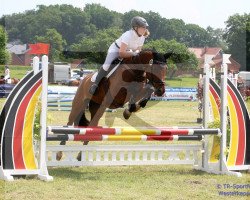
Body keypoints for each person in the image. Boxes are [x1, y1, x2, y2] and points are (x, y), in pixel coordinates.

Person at [89, 16, 150, 95]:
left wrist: (138, 55)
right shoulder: (127, 35)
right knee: (107, 65)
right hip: (116, 50)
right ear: (135, 27)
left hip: (128, 51)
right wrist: (134, 53)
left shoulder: (142, 37)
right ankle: (96, 84)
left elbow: (138, 50)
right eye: (143, 27)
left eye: (145, 27)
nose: (145, 29)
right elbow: (121, 53)